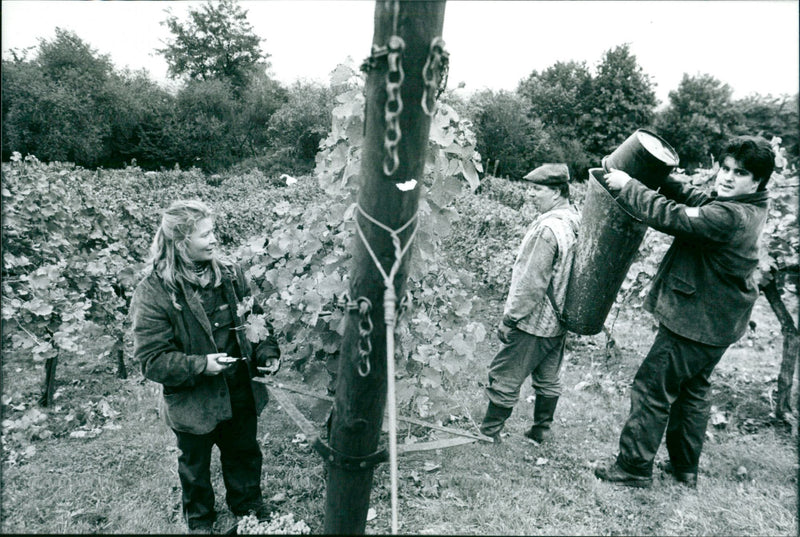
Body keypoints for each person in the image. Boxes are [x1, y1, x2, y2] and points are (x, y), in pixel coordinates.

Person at [594, 136, 774, 488]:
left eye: (739, 173)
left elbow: (674, 215)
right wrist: (662, 177)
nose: (727, 177)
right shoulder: (748, 206)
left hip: (694, 323)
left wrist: (629, 186)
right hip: (718, 325)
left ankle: (632, 468)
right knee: (692, 393)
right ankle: (683, 469)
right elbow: (698, 201)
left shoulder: (730, 216)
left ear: (757, 181)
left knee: (652, 389)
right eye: (725, 168)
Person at [131, 200, 281, 534]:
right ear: (180, 243)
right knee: (194, 465)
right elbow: (152, 359)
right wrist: (201, 365)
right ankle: (200, 520)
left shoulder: (230, 273)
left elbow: (256, 320)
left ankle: (248, 507)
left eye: (213, 232)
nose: (214, 240)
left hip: (239, 388)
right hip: (192, 399)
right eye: (205, 235)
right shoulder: (154, 291)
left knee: (244, 452)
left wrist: (266, 353)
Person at [479, 163, 581, 443]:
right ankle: (541, 430)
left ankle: (489, 434)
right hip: (559, 321)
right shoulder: (575, 220)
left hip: (533, 322)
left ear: (557, 192)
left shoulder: (548, 230)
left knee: (505, 375)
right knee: (547, 377)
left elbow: (532, 282)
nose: (530, 194)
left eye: (537, 189)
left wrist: (510, 318)